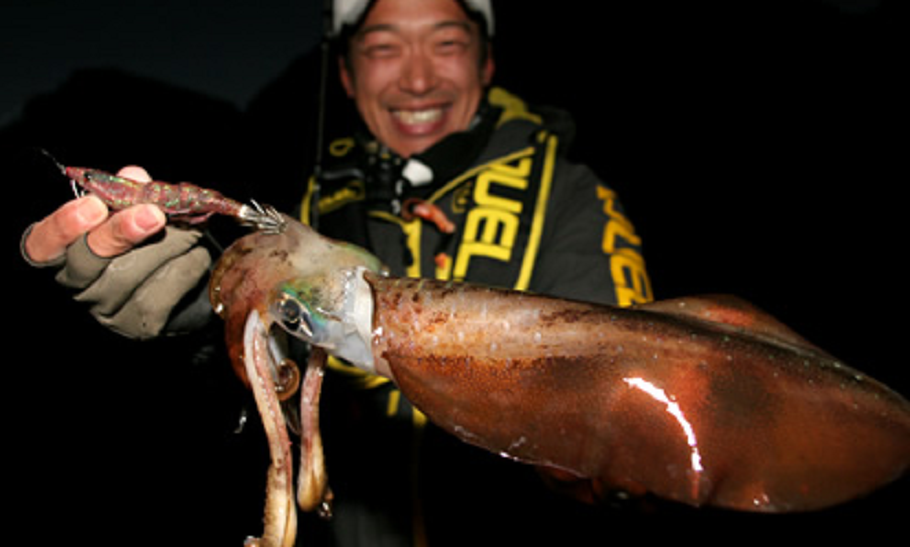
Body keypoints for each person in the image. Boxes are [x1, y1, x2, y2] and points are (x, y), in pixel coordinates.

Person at [20, 0, 651, 544]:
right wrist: (193, 315)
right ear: (346, 76)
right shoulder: (313, 196)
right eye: (383, 48)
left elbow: (625, 429)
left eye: (448, 44)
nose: (418, 77)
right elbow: (254, 365)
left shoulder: (572, 198)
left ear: (486, 64)